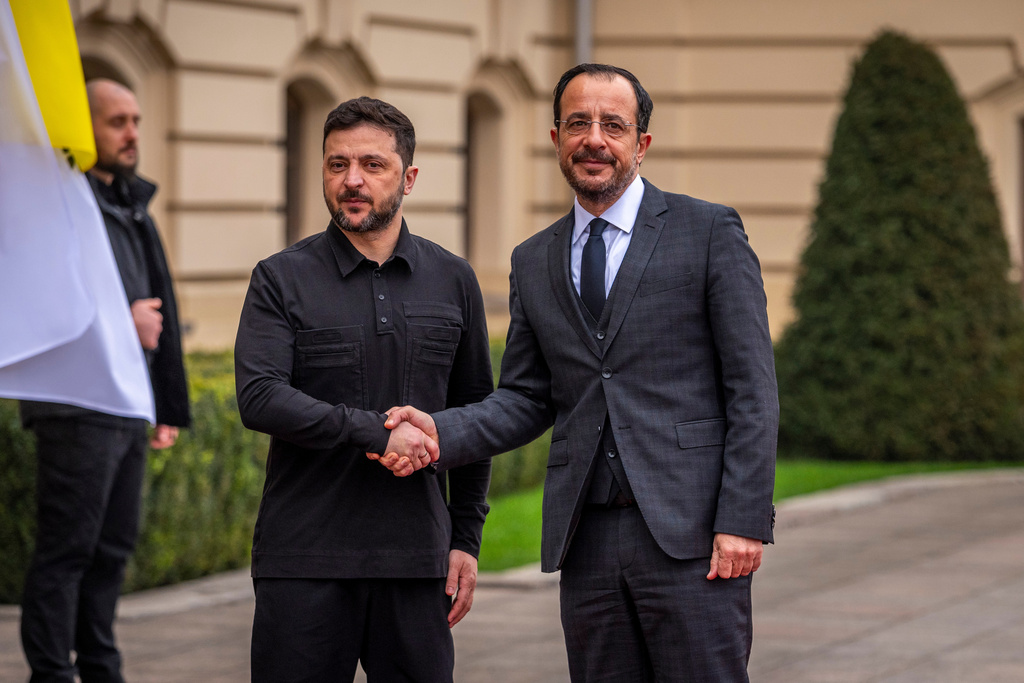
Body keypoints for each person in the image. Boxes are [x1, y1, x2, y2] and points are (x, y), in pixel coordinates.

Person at [378, 63, 779, 682]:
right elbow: (526, 397)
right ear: (556, 138)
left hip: (693, 534)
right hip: (586, 540)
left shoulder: (708, 232)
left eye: (613, 125)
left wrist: (742, 520)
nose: (594, 139)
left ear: (641, 144)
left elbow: (752, 388)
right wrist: (440, 431)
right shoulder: (533, 258)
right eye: (578, 123)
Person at [234, 96, 493, 683]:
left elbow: (475, 417)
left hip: (418, 562)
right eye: (337, 164)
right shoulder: (280, 278)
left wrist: (466, 540)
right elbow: (260, 396)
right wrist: (377, 432)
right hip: (303, 559)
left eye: (372, 165)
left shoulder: (454, 279)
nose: (352, 180)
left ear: (409, 177)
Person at [19, 79, 190, 683]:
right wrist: (123, 321)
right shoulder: (57, 205)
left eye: (136, 120)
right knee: (67, 549)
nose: (132, 133)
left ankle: (99, 666)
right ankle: (51, 672)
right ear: (82, 127)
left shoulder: (129, 204)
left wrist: (165, 403)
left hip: (126, 400)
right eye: (117, 121)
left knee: (113, 549)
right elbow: (38, 300)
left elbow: (162, 303)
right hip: (74, 403)